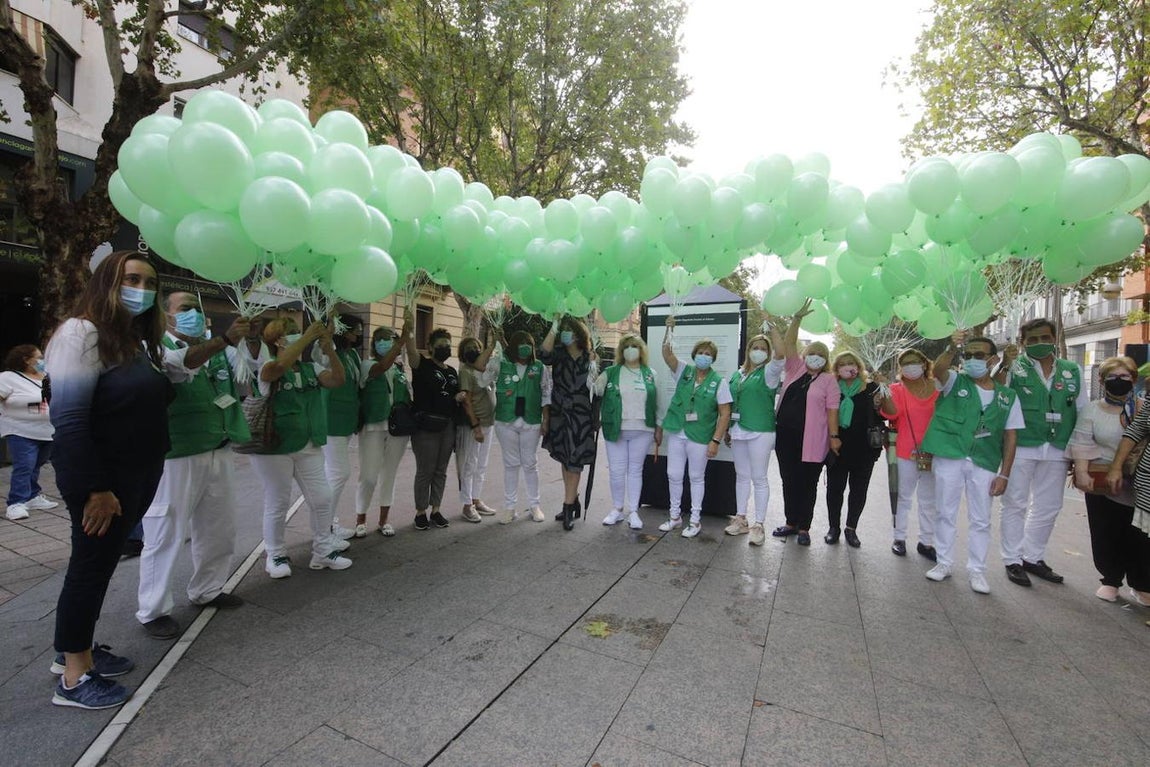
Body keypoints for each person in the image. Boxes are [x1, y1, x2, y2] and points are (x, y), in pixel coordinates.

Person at [44, 251, 173, 709]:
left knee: (97, 567)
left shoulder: (131, 341)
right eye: (131, 279)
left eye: (150, 282)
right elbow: (69, 420)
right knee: (90, 567)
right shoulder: (81, 333)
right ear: (106, 284)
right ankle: (74, 678)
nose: (142, 290)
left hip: (134, 474)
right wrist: (96, 489)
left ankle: (73, 649)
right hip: (103, 480)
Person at [135, 292, 250, 640]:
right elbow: (181, 364)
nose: (195, 314)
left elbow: (244, 382)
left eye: (198, 309)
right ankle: (153, 609)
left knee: (219, 527)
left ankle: (208, 589)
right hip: (177, 455)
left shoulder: (218, 351)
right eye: (185, 309)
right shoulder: (154, 348)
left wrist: (239, 347)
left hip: (218, 447)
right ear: (166, 315)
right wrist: (224, 340)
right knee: (165, 532)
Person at [920, 331, 1023, 594]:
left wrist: (1005, 474)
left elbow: (1011, 437)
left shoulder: (1007, 396)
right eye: (968, 355)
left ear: (993, 360)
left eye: (979, 355)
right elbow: (938, 370)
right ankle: (944, 562)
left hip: (984, 460)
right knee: (945, 511)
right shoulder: (955, 381)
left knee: (981, 518)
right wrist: (951, 346)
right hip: (950, 455)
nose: (972, 360)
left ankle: (977, 570)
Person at [250, 317, 351, 578]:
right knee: (278, 501)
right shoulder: (267, 366)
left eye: (299, 331)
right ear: (277, 340)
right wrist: (308, 337)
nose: (299, 334)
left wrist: (329, 351)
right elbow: (276, 369)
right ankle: (275, 555)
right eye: (292, 332)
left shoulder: (310, 368)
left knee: (322, 497)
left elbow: (337, 380)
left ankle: (323, 551)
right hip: (274, 447)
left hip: (309, 443)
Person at [995, 318, 1085, 587]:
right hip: (1022, 444)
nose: (1039, 343)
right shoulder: (1013, 367)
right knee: (1015, 503)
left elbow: (1081, 411)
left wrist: (1079, 453)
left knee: (1049, 505)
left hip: (1058, 447)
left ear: (1054, 339)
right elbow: (997, 392)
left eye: (1045, 338)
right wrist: (1005, 364)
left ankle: (1032, 556)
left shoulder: (1072, 370)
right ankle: (1012, 559)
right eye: (1032, 340)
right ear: (1023, 343)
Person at [657, 315, 732, 538]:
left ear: (713, 358)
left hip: (700, 436)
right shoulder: (684, 371)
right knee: (673, 474)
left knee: (696, 477)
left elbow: (725, 414)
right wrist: (669, 330)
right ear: (694, 355)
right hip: (678, 432)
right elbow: (667, 354)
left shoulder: (719, 382)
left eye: (708, 354)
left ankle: (695, 520)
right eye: (700, 352)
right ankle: (675, 517)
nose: (703, 356)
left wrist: (715, 441)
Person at [773, 304, 840, 546]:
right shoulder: (795, 368)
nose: (816, 357)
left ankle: (804, 527)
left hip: (812, 441)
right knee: (788, 480)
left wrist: (834, 436)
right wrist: (796, 319)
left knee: (808, 484)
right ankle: (791, 522)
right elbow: (789, 344)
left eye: (821, 355)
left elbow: (832, 410)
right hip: (786, 437)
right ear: (805, 354)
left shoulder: (829, 380)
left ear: (826, 359)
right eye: (812, 353)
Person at [404, 310, 473, 530]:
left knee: (441, 470)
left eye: (448, 344)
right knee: (425, 470)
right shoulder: (422, 364)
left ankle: (436, 509)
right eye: (441, 344)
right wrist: (409, 328)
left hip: (447, 426)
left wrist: (459, 396)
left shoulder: (452, 371)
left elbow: (456, 395)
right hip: (426, 426)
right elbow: (410, 349)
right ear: (431, 347)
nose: (445, 348)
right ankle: (420, 512)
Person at [1090, 358, 1150, 606]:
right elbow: (1135, 431)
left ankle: (1143, 584)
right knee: (1134, 534)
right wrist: (1116, 467)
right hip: (1143, 484)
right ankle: (1113, 579)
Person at [722, 328, 785, 546]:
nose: (758, 351)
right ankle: (741, 519)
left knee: (759, 477)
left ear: (768, 353)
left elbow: (781, 354)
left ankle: (759, 524)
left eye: (763, 349)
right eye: (755, 347)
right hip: (738, 429)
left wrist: (773, 328)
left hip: (760, 431)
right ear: (748, 350)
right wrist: (728, 429)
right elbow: (731, 403)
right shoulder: (737, 374)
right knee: (741, 476)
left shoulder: (769, 372)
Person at [823, 351, 892, 548]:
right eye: (842, 364)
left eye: (851, 363)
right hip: (837, 446)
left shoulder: (871, 387)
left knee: (859, 490)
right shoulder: (832, 387)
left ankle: (851, 528)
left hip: (864, 448)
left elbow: (890, 412)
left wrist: (884, 388)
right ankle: (833, 528)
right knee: (835, 489)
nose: (848, 367)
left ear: (859, 366)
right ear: (837, 368)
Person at [594, 333, 662, 530]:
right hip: (615, 427)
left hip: (643, 429)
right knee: (616, 470)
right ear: (621, 351)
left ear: (641, 351)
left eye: (635, 346)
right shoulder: (611, 372)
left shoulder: (651, 374)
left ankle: (633, 511)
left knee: (635, 470)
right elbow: (596, 390)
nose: (630, 350)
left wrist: (659, 427)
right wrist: (592, 367)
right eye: (626, 346)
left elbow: (659, 403)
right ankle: (617, 509)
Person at [539, 315, 598, 531]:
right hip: (560, 414)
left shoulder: (589, 357)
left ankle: (567, 507)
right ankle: (572, 500)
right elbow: (543, 354)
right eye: (562, 330)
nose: (565, 334)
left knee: (575, 461)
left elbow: (596, 388)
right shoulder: (559, 354)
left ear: (578, 334)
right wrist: (554, 325)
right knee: (565, 460)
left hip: (581, 417)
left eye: (568, 330)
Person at [880, 348, 940, 559]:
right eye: (905, 364)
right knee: (902, 496)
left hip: (933, 451)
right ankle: (899, 538)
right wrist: (884, 391)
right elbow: (891, 413)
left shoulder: (937, 387)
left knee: (929, 499)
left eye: (914, 362)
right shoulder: (896, 389)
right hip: (904, 451)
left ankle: (926, 542)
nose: (910, 366)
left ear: (924, 364)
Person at [492, 329, 551, 524]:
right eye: (521, 345)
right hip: (505, 421)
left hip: (531, 421)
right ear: (514, 347)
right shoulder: (502, 364)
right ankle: (510, 507)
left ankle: (535, 505)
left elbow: (546, 393)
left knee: (530, 463)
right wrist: (493, 347)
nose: (525, 349)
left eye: (528, 345)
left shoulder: (539, 367)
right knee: (511, 464)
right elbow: (483, 377)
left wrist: (546, 419)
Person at [354, 325, 408, 537]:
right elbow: (380, 369)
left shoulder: (399, 367)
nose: (385, 343)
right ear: (374, 344)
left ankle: (384, 520)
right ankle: (360, 518)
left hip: (397, 427)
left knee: (389, 474)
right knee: (368, 476)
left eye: (389, 339)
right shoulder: (367, 365)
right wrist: (400, 343)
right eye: (381, 340)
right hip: (373, 426)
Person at [1, 344, 58, 520]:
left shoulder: (47, 375)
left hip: (47, 431)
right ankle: (16, 502)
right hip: (21, 430)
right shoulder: (8, 378)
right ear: (26, 360)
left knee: (36, 464)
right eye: (39, 357)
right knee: (24, 465)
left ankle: (32, 495)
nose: (42, 361)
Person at [319, 314, 364, 539]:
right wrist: (329, 327)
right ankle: (324, 527)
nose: (359, 334)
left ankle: (327, 523)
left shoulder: (352, 355)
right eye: (355, 330)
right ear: (342, 331)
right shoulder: (329, 353)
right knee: (339, 473)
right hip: (332, 421)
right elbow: (322, 350)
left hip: (347, 420)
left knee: (333, 474)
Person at [456, 331, 498, 523]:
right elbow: (467, 401)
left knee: (481, 464)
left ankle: (476, 498)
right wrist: (475, 426)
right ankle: (467, 505)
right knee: (470, 465)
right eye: (469, 348)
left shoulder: (484, 370)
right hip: (476, 425)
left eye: (476, 347)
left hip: (489, 423)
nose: (473, 350)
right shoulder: (466, 372)